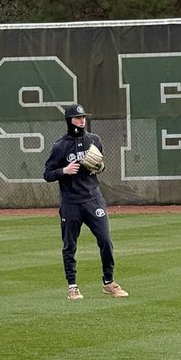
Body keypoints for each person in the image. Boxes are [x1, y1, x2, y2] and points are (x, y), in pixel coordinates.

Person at [43, 103, 128, 300]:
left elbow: (100, 166)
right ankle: (72, 286)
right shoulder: (60, 146)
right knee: (70, 245)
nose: (82, 121)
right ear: (69, 120)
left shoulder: (94, 140)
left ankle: (109, 282)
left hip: (93, 199)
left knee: (105, 240)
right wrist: (63, 171)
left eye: (83, 117)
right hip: (71, 202)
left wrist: (99, 167)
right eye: (77, 118)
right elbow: (47, 173)